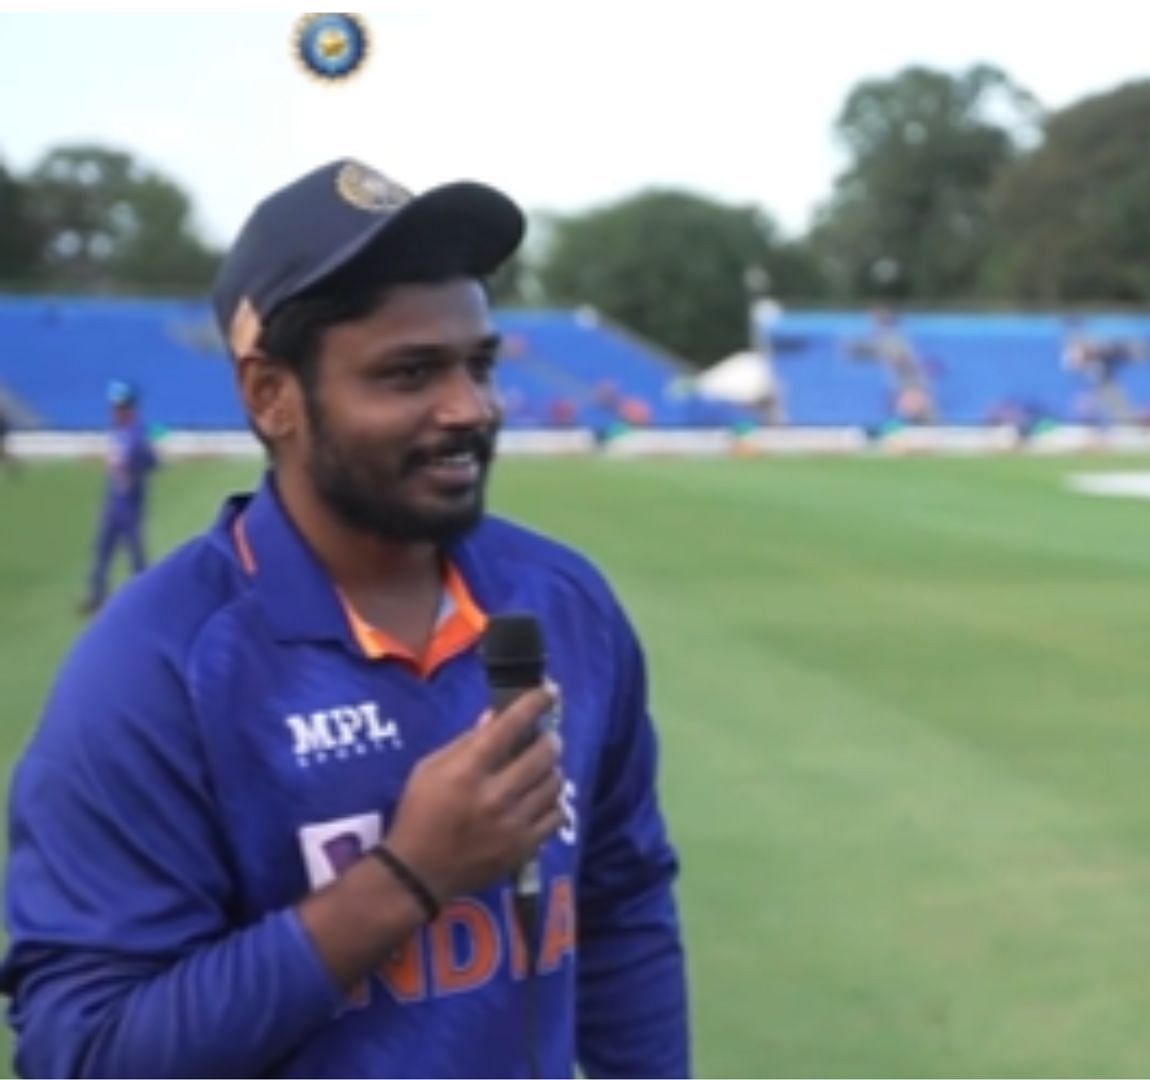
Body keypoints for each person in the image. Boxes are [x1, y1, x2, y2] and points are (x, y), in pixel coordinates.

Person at [1, 158, 690, 1078]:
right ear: (270, 396)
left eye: (477, 365)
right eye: (409, 374)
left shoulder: (563, 603)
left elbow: (624, 906)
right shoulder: (154, 671)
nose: (470, 408)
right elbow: (83, 1054)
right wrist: (406, 877)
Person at [78, 378, 160, 615]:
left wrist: (137, 467)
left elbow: (151, 463)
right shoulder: (118, 432)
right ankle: (96, 593)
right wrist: (106, 503)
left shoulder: (137, 433)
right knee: (102, 551)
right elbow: (113, 475)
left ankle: (145, 597)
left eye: (118, 406)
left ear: (128, 407)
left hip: (130, 506)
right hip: (115, 504)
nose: (114, 411)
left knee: (136, 555)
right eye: (113, 407)